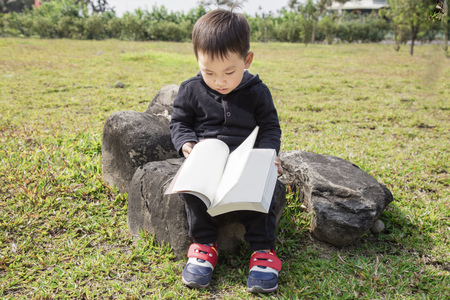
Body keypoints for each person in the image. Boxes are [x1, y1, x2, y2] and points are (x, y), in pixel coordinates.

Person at [169, 7, 283, 294]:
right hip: (208, 163)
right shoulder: (191, 89)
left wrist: (268, 155)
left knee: (264, 193)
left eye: (229, 72)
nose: (219, 81)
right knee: (192, 193)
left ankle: (263, 253)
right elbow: (180, 122)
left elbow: (270, 127)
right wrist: (187, 144)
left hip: (245, 162)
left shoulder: (257, 91)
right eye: (209, 72)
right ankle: (204, 246)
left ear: (247, 60)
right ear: (197, 60)